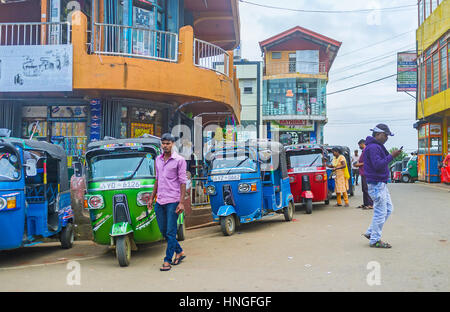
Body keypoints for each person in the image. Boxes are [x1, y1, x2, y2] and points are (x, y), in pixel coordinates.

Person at [148, 133, 187, 271]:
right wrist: (152, 198)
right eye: (163, 143)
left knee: (170, 232)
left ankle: (167, 260)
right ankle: (180, 251)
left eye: (168, 143)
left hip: (173, 201)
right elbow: (157, 180)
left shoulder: (179, 160)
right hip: (161, 200)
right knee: (164, 231)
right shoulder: (157, 159)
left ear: (173, 144)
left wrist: (181, 203)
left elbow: (183, 183)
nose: (165, 146)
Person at [362, 124, 402, 248]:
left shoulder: (376, 146)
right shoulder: (373, 147)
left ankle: (370, 232)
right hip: (376, 184)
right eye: (385, 135)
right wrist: (392, 156)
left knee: (388, 209)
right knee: (380, 212)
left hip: (380, 184)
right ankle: (375, 240)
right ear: (378, 134)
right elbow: (378, 165)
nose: (387, 138)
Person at [355, 139, 373, 209]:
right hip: (363, 172)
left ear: (363, 144)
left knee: (367, 189)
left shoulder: (367, 151)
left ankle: (370, 204)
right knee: (364, 189)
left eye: (359, 145)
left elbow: (368, 161)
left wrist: (358, 164)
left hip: (366, 172)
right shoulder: (364, 151)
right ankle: (365, 203)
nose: (359, 146)